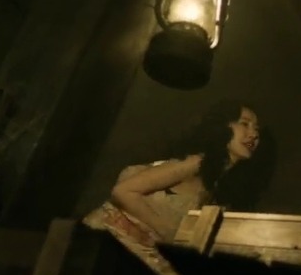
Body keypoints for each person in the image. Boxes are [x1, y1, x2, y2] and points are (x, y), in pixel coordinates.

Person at [97, 99, 276, 243]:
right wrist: (170, 235)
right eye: (244, 124)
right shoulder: (196, 163)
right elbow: (123, 191)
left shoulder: (219, 185)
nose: (254, 134)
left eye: (257, 129)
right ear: (221, 126)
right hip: (105, 242)